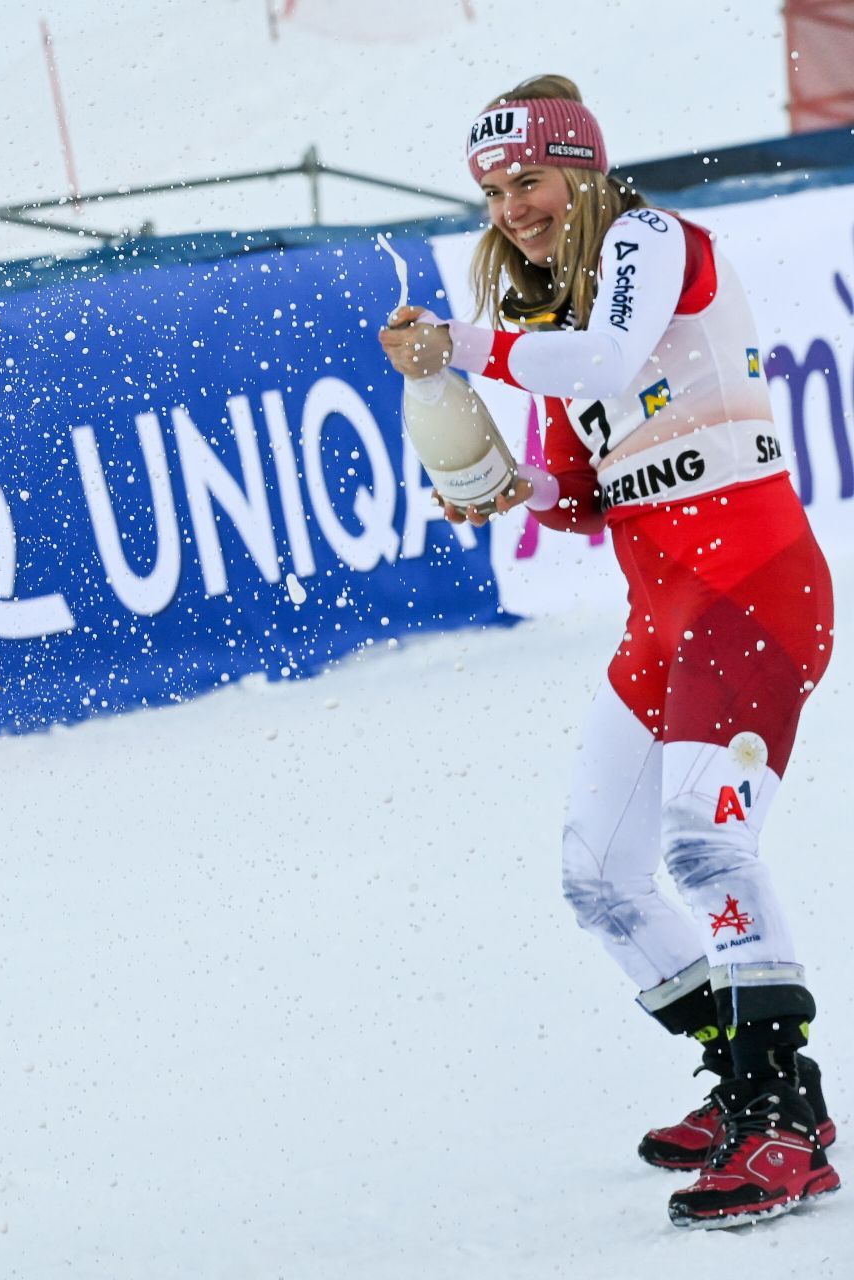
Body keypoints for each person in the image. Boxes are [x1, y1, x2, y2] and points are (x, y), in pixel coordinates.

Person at [379, 75, 838, 1229]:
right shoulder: (554, 321)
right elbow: (576, 493)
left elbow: (595, 359)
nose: (513, 210)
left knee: (705, 841)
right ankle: (741, 1079)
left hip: (752, 588)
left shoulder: (650, 237)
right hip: (663, 617)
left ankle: (788, 1118)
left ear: (581, 171)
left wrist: (466, 341)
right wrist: (494, 483)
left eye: (528, 180)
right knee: (598, 876)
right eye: (490, 193)